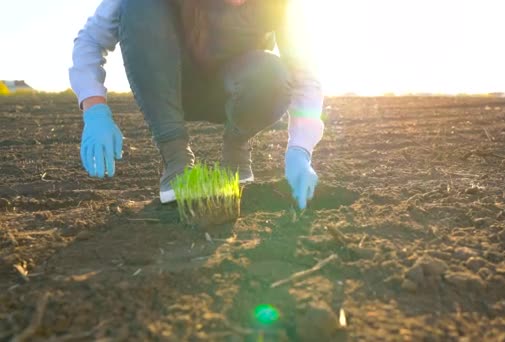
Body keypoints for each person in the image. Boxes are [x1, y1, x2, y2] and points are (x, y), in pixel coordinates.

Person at [69, 0, 324, 209]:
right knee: (138, 5)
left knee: (272, 74)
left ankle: (237, 150)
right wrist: (96, 111)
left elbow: (304, 74)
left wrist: (300, 150)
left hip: (234, 92)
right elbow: (91, 40)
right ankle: (176, 157)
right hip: (169, 89)